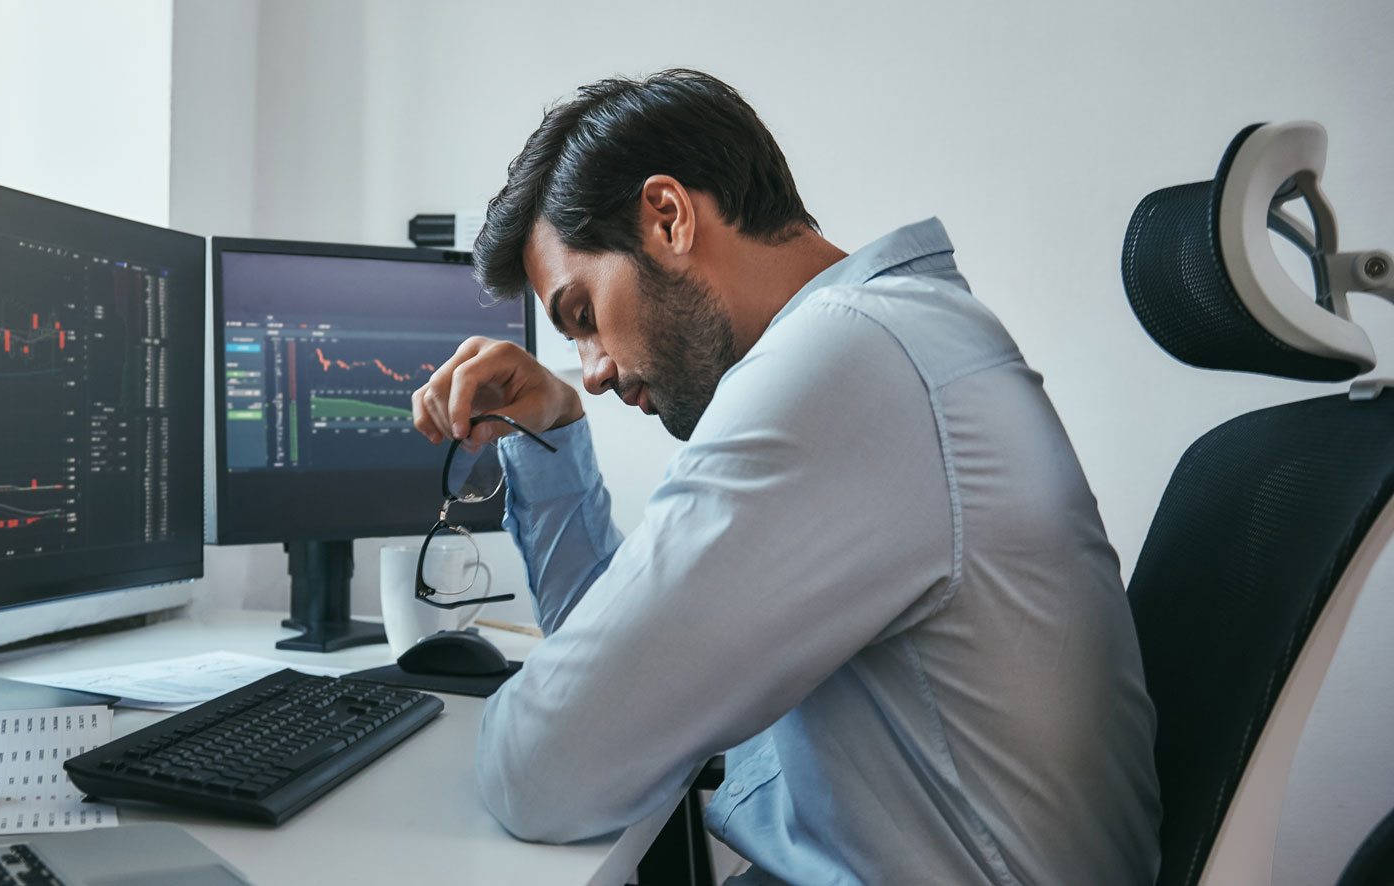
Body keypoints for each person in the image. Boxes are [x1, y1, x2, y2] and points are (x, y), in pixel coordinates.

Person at [411, 69, 1161, 884]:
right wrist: (550, 431)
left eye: (583, 315)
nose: (590, 370)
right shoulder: (893, 337)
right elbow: (617, 678)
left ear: (667, 217)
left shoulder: (844, 364)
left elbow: (543, 766)